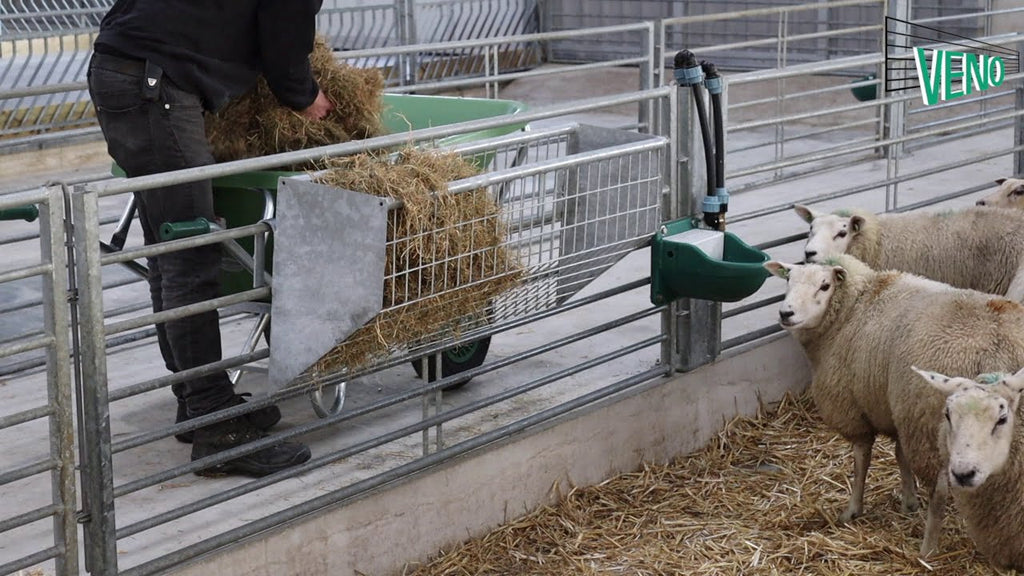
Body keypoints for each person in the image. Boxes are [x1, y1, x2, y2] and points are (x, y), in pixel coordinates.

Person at [87, 0, 334, 477]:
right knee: (191, 252)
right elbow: (285, 44)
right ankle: (217, 427)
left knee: (170, 248)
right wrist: (305, 95)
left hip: (128, 69)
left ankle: (197, 400)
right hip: (152, 83)